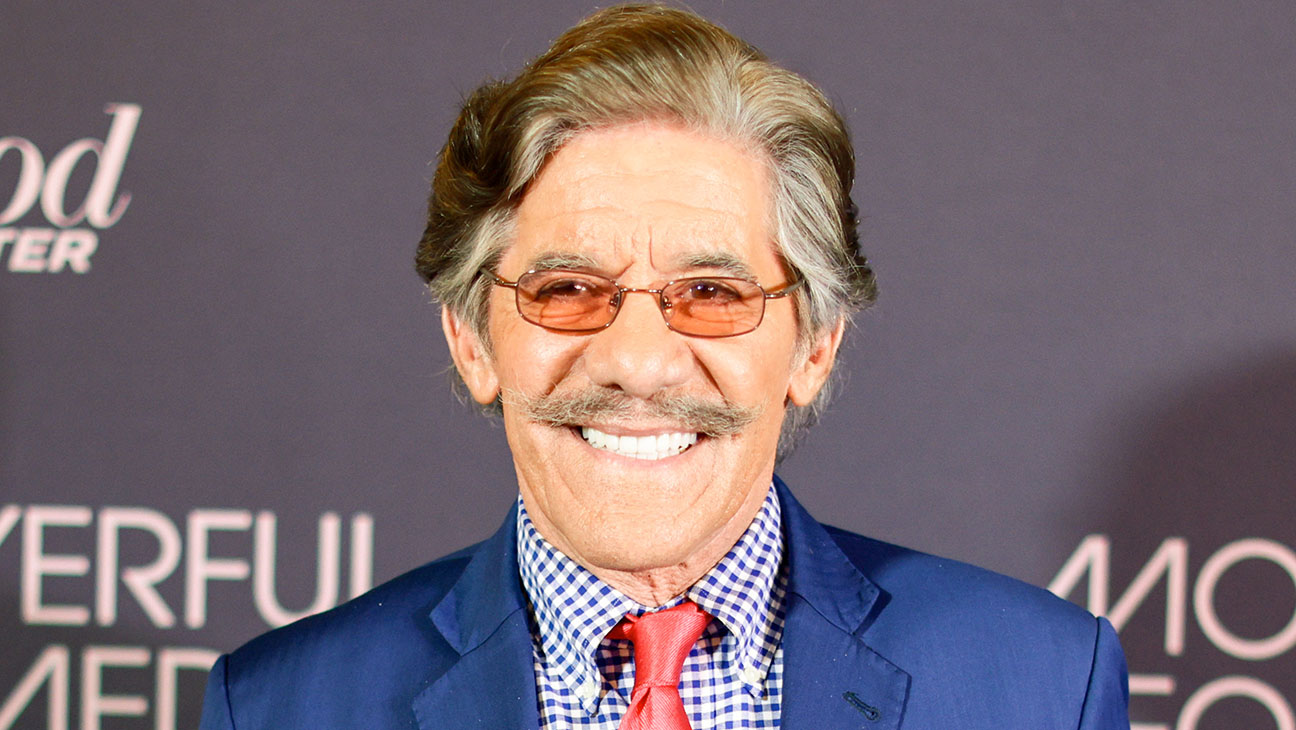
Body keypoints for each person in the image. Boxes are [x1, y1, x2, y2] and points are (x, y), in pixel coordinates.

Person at [200, 5, 1129, 729]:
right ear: (472, 341)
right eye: (568, 288)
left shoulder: (1044, 687)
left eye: (713, 293)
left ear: (814, 346)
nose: (639, 363)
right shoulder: (282, 707)